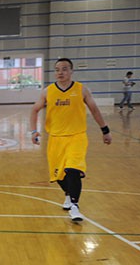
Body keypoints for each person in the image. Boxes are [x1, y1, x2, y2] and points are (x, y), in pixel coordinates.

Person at [29, 58, 112, 222]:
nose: (60, 72)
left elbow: (94, 110)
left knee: (73, 170)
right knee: (59, 176)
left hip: (77, 136)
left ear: (71, 71)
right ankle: (68, 194)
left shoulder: (81, 90)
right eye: (57, 69)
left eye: (64, 69)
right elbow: (34, 110)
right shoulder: (48, 92)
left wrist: (105, 130)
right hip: (56, 138)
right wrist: (33, 131)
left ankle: (75, 206)